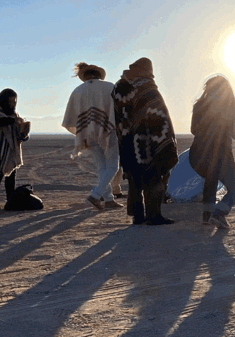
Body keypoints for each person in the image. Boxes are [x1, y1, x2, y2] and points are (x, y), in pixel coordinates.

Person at [112, 57, 178, 226]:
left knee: (134, 179)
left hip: (126, 141)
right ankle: (154, 216)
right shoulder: (147, 88)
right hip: (147, 142)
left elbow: (119, 116)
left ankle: (137, 215)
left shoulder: (120, 88)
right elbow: (159, 117)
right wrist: (163, 143)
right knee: (153, 177)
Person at [62, 62, 123, 211]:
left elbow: (71, 116)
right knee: (113, 166)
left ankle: (108, 199)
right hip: (109, 132)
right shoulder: (110, 87)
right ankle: (95, 195)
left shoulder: (78, 90)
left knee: (102, 167)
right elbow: (120, 110)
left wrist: (85, 129)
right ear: (98, 74)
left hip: (88, 133)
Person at [189, 75, 235, 228]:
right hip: (221, 152)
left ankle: (207, 216)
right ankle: (219, 213)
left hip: (197, 154)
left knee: (210, 178)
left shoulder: (199, 105)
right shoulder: (230, 107)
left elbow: (193, 130)